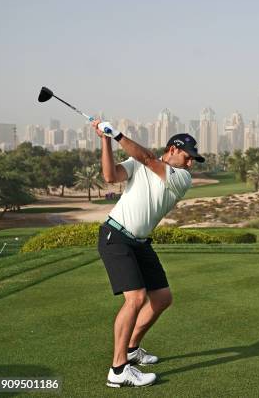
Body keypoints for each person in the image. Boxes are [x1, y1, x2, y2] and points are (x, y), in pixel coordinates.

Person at [92, 118, 205, 388]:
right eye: (189, 157)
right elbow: (110, 177)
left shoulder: (181, 178)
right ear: (174, 149)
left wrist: (117, 133)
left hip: (140, 242)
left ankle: (131, 349)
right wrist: (105, 140)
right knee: (135, 299)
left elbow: (147, 158)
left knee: (162, 298)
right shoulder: (140, 165)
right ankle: (118, 370)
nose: (191, 164)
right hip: (115, 236)